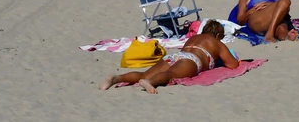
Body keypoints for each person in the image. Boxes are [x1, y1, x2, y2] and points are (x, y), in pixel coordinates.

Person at [99, 19, 237, 93]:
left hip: (177, 55)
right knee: (170, 74)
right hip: (191, 60)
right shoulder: (216, 42)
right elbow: (233, 65)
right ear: (218, 35)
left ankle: (116, 79)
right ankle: (151, 83)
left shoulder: (194, 38)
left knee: (144, 74)